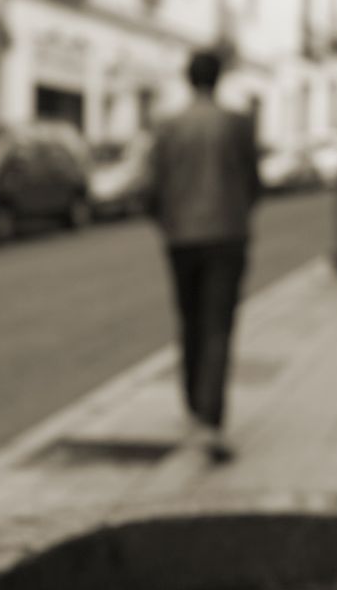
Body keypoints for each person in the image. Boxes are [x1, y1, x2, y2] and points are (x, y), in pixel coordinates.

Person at [147, 47, 261, 463]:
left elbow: (153, 186)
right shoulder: (237, 124)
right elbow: (252, 182)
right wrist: (238, 213)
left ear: (188, 78)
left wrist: (167, 221)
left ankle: (194, 405)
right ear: (218, 79)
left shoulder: (168, 126)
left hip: (181, 238)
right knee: (218, 324)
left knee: (189, 320)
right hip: (227, 234)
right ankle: (211, 420)